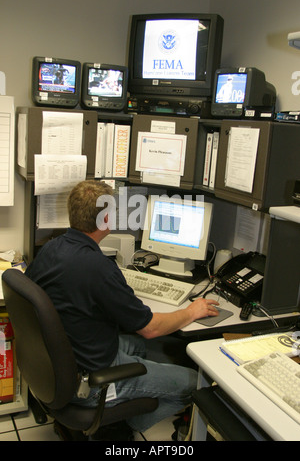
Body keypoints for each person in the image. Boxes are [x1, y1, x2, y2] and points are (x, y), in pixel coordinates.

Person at [25, 180, 219, 436]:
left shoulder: (51, 249)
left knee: (151, 349)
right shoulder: (98, 267)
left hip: (65, 363)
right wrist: (192, 311)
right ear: (106, 218)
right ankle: (127, 423)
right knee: (196, 383)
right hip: (90, 381)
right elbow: (149, 328)